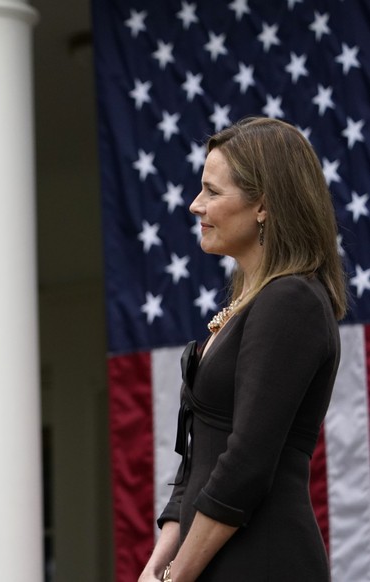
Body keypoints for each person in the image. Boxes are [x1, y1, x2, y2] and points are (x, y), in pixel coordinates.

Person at [139, 117, 347, 582]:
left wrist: (178, 576)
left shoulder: (291, 300)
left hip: (262, 561)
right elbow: (197, 458)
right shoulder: (251, 303)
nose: (196, 205)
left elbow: (247, 463)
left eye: (213, 192)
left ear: (264, 206)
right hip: (208, 562)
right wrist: (160, 562)